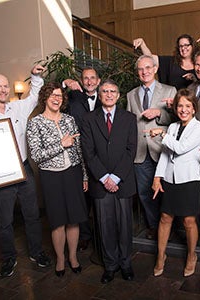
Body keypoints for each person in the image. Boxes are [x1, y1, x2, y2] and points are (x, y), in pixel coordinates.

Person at [0, 64, 51, 277]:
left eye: (5, 86)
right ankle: (9, 258)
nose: (3, 90)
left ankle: (36, 252)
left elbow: (35, 95)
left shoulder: (17, 108)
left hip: (24, 170)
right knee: (5, 220)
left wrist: (35, 75)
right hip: (1, 176)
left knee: (32, 215)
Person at [27, 82, 88, 277]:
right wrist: (61, 145)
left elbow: (78, 149)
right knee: (58, 221)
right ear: (45, 98)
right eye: (52, 95)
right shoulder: (35, 123)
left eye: (60, 96)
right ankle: (60, 259)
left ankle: (73, 257)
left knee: (74, 219)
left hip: (73, 172)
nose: (56, 99)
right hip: (51, 176)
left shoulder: (69, 120)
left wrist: (84, 175)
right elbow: (36, 155)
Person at [81, 79, 137, 284]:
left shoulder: (129, 118)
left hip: (123, 182)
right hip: (100, 182)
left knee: (124, 225)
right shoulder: (89, 119)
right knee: (105, 226)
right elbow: (88, 151)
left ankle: (125, 263)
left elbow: (131, 150)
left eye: (113, 91)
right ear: (100, 93)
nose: (109, 94)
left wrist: (115, 177)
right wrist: (104, 178)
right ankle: (110, 265)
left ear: (118, 95)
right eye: (105, 91)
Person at [148, 88, 200, 277]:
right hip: (170, 179)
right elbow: (165, 155)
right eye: (180, 105)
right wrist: (158, 177)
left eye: (187, 106)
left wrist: (162, 135)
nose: (183, 109)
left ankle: (191, 256)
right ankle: (160, 256)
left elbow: (180, 149)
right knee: (165, 218)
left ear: (194, 108)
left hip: (189, 180)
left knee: (189, 221)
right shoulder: (172, 127)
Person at [127, 55, 176, 239]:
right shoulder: (131, 95)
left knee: (167, 192)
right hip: (140, 152)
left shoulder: (170, 90)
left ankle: (170, 227)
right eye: (140, 69)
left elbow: (178, 119)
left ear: (155, 69)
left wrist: (160, 113)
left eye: (148, 68)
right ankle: (154, 226)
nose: (144, 72)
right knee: (145, 193)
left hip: (163, 149)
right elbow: (130, 124)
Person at [62, 67, 101, 252]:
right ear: (81, 81)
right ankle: (84, 235)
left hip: (101, 155)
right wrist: (65, 84)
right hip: (78, 154)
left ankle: (101, 235)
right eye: (86, 78)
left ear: (98, 81)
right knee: (82, 198)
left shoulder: (107, 96)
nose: (89, 81)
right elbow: (54, 101)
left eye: (93, 78)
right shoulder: (72, 97)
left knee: (99, 196)